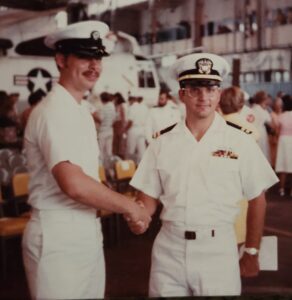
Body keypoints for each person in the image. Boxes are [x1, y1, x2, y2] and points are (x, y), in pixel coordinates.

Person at [125, 53, 278, 296]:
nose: (203, 97)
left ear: (219, 93)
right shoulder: (162, 142)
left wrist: (251, 251)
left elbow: (257, 198)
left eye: (211, 89)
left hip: (218, 250)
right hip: (169, 250)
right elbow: (148, 198)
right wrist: (138, 218)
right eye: (195, 89)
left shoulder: (239, 140)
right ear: (182, 94)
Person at [22, 21, 150, 300]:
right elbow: (74, 184)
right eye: (84, 56)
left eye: (98, 57)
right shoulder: (54, 111)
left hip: (84, 229)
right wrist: (129, 206)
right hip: (58, 234)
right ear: (61, 60)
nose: (94, 65)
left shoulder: (78, 109)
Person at [219, 86, 259, 246]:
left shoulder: (213, 125)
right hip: (241, 188)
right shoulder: (251, 130)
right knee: (238, 232)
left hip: (216, 190)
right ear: (241, 105)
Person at [275, 94, 292, 197]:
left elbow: (276, 131)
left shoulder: (280, 116)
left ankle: (281, 189)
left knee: (283, 164)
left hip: (283, 140)